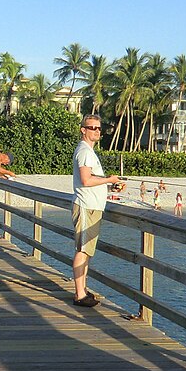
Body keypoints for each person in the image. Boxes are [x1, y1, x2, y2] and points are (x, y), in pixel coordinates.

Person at [71, 114, 123, 307]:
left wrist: (109, 186)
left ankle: (82, 289)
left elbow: (92, 180)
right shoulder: (84, 151)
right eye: (93, 128)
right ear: (83, 130)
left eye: (99, 128)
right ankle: (79, 294)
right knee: (83, 250)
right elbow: (85, 181)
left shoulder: (89, 152)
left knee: (87, 250)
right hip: (86, 206)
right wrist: (109, 180)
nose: (97, 131)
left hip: (92, 206)